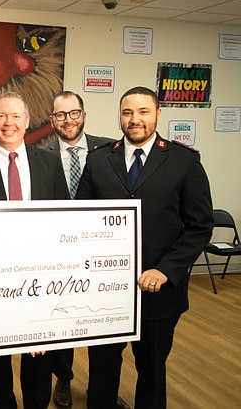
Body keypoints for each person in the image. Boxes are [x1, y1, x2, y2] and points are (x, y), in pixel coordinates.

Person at [77, 86, 213, 409]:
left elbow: (199, 227)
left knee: (152, 371)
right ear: (120, 117)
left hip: (158, 292)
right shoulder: (98, 161)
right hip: (105, 291)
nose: (134, 119)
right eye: (127, 113)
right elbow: (80, 221)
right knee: (102, 372)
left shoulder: (184, 162)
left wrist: (166, 270)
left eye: (143, 112)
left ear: (157, 114)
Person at [0, 92, 69, 409]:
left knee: (39, 349)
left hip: (39, 274)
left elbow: (63, 215)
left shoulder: (48, 161)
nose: (9, 123)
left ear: (27, 121)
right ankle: (2, 403)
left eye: (16, 116)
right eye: (2, 116)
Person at [45, 91, 129, 409]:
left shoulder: (112, 150)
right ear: (52, 120)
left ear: (84, 113)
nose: (68, 120)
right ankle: (63, 379)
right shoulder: (41, 154)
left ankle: (102, 389)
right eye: (61, 115)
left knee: (103, 326)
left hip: (102, 254)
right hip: (59, 255)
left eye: (74, 113)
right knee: (61, 324)